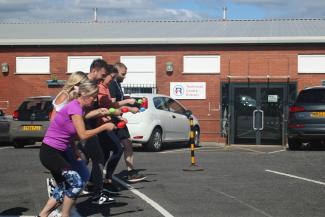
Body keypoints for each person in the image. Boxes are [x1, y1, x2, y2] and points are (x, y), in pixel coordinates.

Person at [38, 81, 116, 217]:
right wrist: (104, 127)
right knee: (76, 183)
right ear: (84, 95)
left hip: (59, 152)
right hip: (50, 152)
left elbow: (71, 135)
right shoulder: (75, 108)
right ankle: (65, 215)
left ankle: (43, 215)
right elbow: (83, 134)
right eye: (93, 96)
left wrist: (75, 151)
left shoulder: (79, 108)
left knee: (64, 189)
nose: (95, 99)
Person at [47, 71, 89, 198]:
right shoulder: (65, 95)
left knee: (79, 170)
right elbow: (57, 120)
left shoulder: (71, 97)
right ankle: (57, 197)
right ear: (77, 83)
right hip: (58, 141)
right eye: (83, 85)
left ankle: (64, 202)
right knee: (73, 173)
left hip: (66, 141)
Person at [109, 62, 146, 182]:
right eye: (123, 74)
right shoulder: (112, 85)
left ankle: (131, 173)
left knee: (128, 144)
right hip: (111, 120)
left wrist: (132, 104)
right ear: (116, 72)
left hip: (119, 120)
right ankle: (100, 178)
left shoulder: (118, 85)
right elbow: (112, 105)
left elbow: (119, 103)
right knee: (109, 151)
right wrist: (128, 105)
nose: (125, 76)